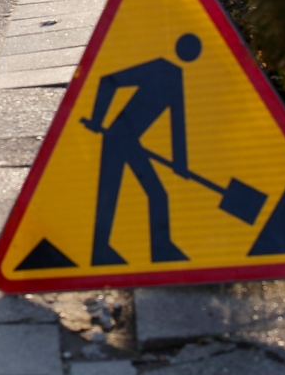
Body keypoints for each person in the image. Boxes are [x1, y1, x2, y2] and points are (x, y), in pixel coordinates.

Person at [79, 33, 202, 265]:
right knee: (117, 192)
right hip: (118, 136)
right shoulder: (162, 69)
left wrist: (180, 164)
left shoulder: (176, 76)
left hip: (127, 139)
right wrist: (97, 120)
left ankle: (153, 248)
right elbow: (108, 80)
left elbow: (178, 125)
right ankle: (141, 248)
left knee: (137, 193)